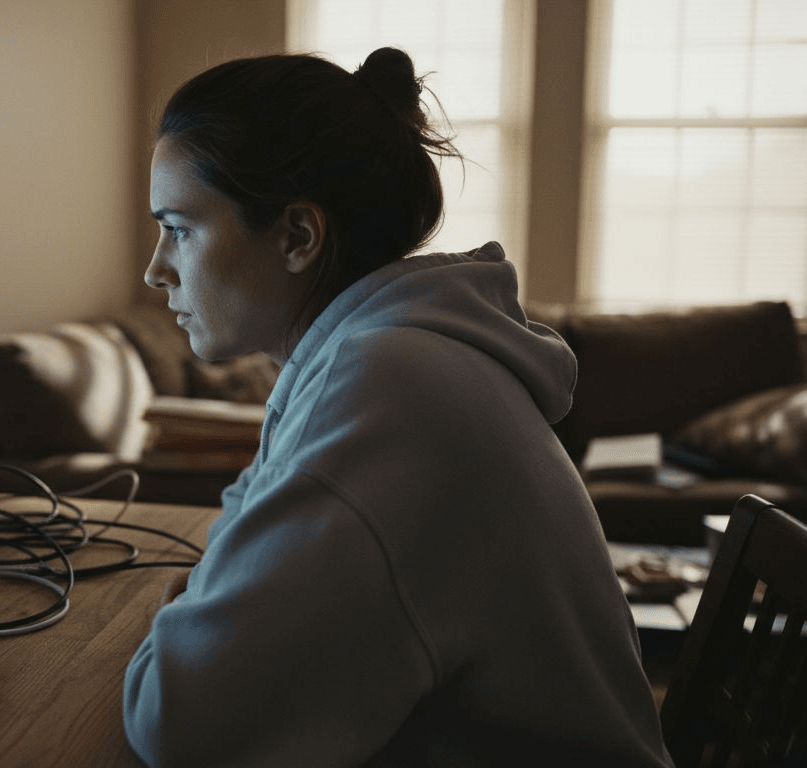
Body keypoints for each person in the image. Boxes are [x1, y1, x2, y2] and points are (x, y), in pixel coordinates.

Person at [122, 47, 674, 767]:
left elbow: (183, 725)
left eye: (179, 228)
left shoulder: (383, 389)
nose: (155, 269)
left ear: (297, 236)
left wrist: (176, 611)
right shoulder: (385, 359)